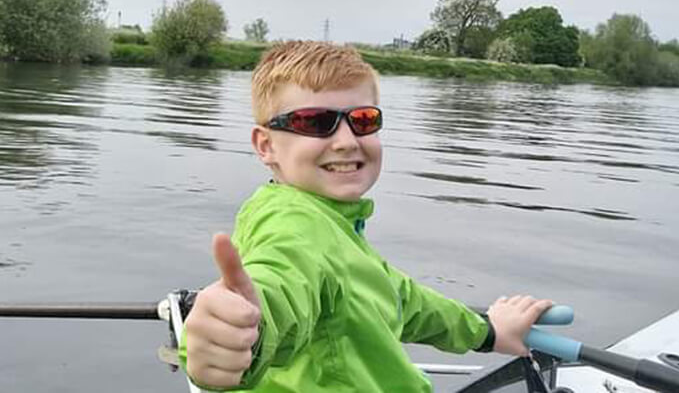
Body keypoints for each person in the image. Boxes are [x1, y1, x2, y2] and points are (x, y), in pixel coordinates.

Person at [181, 42, 554, 392]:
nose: (346, 140)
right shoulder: (292, 224)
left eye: (362, 119)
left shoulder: (336, 224)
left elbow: (400, 299)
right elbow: (283, 284)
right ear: (266, 145)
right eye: (315, 122)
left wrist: (487, 332)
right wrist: (250, 333)